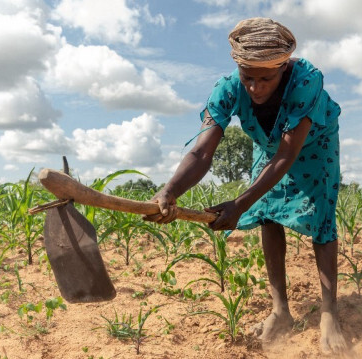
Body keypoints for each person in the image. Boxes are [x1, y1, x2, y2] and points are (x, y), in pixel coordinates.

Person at [143, 17, 345, 353]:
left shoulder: (306, 81)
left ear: (283, 68)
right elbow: (201, 152)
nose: (255, 87)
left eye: (266, 78)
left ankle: (329, 313)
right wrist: (170, 191)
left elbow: (286, 154)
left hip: (313, 144)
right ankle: (280, 311)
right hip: (268, 145)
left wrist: (240, 203)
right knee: (267, 214)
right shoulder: (226, 89)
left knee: (322, 216)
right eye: (247, 77)